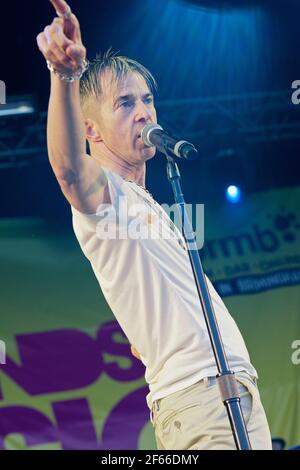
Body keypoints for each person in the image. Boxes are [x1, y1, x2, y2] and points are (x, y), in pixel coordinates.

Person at [37, 0, 273, 450]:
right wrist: (64, 75)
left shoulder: (152, 202)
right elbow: (67, 169)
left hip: (235, 393)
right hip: (199, 400)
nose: (144, 112)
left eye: (147, 99)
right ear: (92, 130)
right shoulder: (105, 195)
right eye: (125, 103)